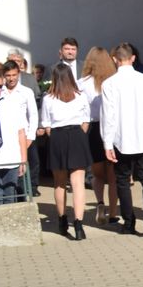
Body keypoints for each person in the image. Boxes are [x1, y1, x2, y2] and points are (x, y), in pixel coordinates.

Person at [101, 43, 143, 236]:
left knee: (123, 181)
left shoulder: (109, 84)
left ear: (115, 59)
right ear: (133, 58)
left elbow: (108, 116)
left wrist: (107, 143)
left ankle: (129, 222)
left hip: (121, 139)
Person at [40, 64, 92, 240]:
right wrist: (78, 135)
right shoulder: (81, 96)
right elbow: (86, 121)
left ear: (54, 78)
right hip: (77, 135)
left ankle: (62, 219)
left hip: (57, 137)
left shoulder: (48, 98)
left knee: (59, 182)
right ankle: (78, 224)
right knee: (78, 183)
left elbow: (46, 125)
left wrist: (56, 138)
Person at [78, 47, 120, 227]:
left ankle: (100, 202)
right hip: (112, 127)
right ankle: (113, 213)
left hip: (92, 128)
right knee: (113, 175)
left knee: (97, 174)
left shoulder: (82, 83)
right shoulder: (114, 81)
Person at [2, 59, 40, 198]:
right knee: (9, 168)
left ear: (18, 74)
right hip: (6, 137)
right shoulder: (0, 91)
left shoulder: (26, 92)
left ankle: (27, 194)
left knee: (27, 167)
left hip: (24, 136)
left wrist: (30, 137)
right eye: (8, 75)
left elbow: (33, 115)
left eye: (14, 75)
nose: (11, 78)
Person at [0, 63, 29, 205]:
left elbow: (21, 132)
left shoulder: (12, 103)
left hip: (11, 158)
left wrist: (23, 159)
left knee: (10, 197)